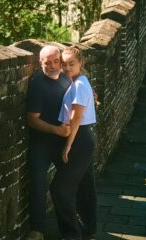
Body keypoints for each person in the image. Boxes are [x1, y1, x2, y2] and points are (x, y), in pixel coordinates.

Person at [50, 46, 97, 240]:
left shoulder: (79, 85)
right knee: (86, 185)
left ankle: (71, 234)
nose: (67, 68)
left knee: (59, 189)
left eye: (72, 64)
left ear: (81, 64)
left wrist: (68, 145)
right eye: (64, 64)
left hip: (78, 139)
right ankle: (89, 227)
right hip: (84, 138)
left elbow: (76, 119)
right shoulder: (80, 81)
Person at [26, 45, 71, 240]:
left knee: (73, 182)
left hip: (65, 143)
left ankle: (74, 228)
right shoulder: (37, 84)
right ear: (40, 63)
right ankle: (38, 230)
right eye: (47, 63)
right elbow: (32, 119)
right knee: (37, 184)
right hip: (42, 143)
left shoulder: (67, 79)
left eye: (56, 62)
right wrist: (56, 130)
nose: (53, 66)